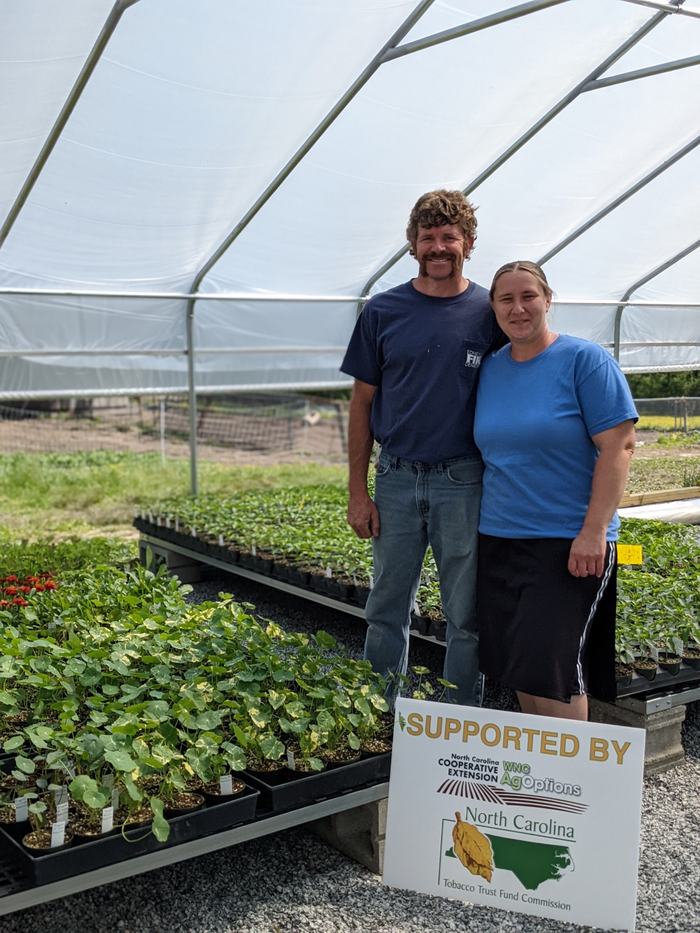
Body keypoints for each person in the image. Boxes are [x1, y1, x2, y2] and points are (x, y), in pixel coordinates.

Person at [340, 189, 503, 706]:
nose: (438, 247)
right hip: (397, 478)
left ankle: (462, 718)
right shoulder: (383, 311)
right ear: (412, 245)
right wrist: (357, 492)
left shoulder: (489, 311)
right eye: (427, 237)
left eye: (448, 237)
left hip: (464, 478)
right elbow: (361, 404)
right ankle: (380, 710)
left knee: (466, 610)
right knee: (387, 604)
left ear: (468, 244)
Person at [474, 260, 638, 721]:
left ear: (548, 299)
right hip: (501, 540)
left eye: (529, 296)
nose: (518, 308)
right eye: (506, 299)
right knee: (522, 669)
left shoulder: (585, 361)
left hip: (568, 543)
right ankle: (538, 783)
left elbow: (619, 447)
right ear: (493, 308)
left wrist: (594, 530)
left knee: (556, 675)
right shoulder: (490, 369)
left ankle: (569, 786)